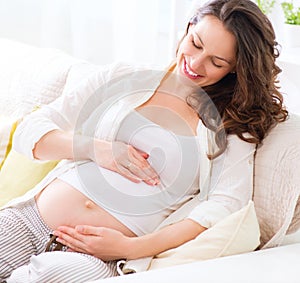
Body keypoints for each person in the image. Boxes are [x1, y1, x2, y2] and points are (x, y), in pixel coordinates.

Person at [0, 0, 288, 282]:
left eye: (217, 62)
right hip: (30, 219)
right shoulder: (122, 77)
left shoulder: (232, 126)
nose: (196, 63)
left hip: (100, 257)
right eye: (196, 43)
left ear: (235, 68)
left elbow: (225, 205)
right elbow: (31, 130)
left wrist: (130, 248)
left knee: (47, 275)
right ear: (187, 28)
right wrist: (96, 148)